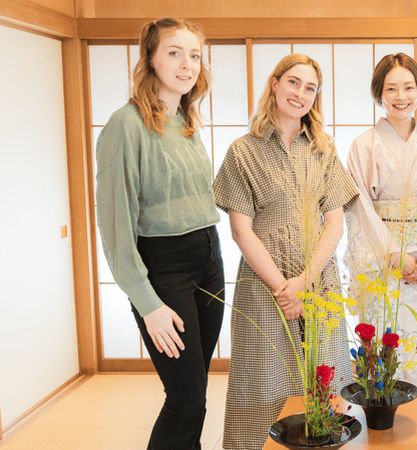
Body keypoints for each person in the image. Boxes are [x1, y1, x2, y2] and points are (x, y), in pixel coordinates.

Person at [213, 53, 358, 449]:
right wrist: (284, 288)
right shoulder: (243, 151)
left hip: (318, 278)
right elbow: (242, 232)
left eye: (310, 88)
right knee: (263, 379)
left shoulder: (324, 149)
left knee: (323, 375)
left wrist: (304, 282)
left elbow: (335, 222)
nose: (300, 93)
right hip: (265, 283)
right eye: (293, 82)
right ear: (275, 84)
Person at [95, 18, 224, 450]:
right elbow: (115, 229)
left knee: (197, 393)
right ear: (149, 58)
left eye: (194, 55)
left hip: (209, 261)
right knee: (185, 401)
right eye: (174, 52)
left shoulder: (186, 121)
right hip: (165, 271)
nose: (186, 64)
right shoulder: (126, 124)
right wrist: (147, 304)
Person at [345, 53, 417, 395]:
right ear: (379, 93)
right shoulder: (363, 146)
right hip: (382, 263)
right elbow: (360, 208)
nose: (401, 96)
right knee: (385, 343)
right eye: (392, 88)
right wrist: (393, 254)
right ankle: (383, 422)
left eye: (409, 87)